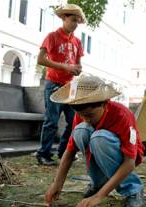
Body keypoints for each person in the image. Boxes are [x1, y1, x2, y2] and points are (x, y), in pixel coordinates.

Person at [44, 74, 145, 207]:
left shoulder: (122, 115)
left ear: (105, 103)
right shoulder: (83, 117)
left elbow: (130, 162)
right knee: (80, 132)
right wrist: (57, 184)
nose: (86, 119)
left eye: (90, 115)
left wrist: (99, 197)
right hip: (100, 150)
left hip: (124, 157)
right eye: (81, 115)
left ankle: (133, 189)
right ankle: (98, 183)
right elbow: (69, 151)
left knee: (99, 138)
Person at [36, 4, 86, 165]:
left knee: (73, 121)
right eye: (73, 20)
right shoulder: (52, 36)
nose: (75, 24)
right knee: (52, 120)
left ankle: (64, 151)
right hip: (54, 83)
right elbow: (40, 59)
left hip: (70, 86)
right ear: (64, 18)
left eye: (78, 21)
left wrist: (77, 70)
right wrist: (65, 66)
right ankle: (43, 153)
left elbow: (77, 64)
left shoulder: (77, 42)